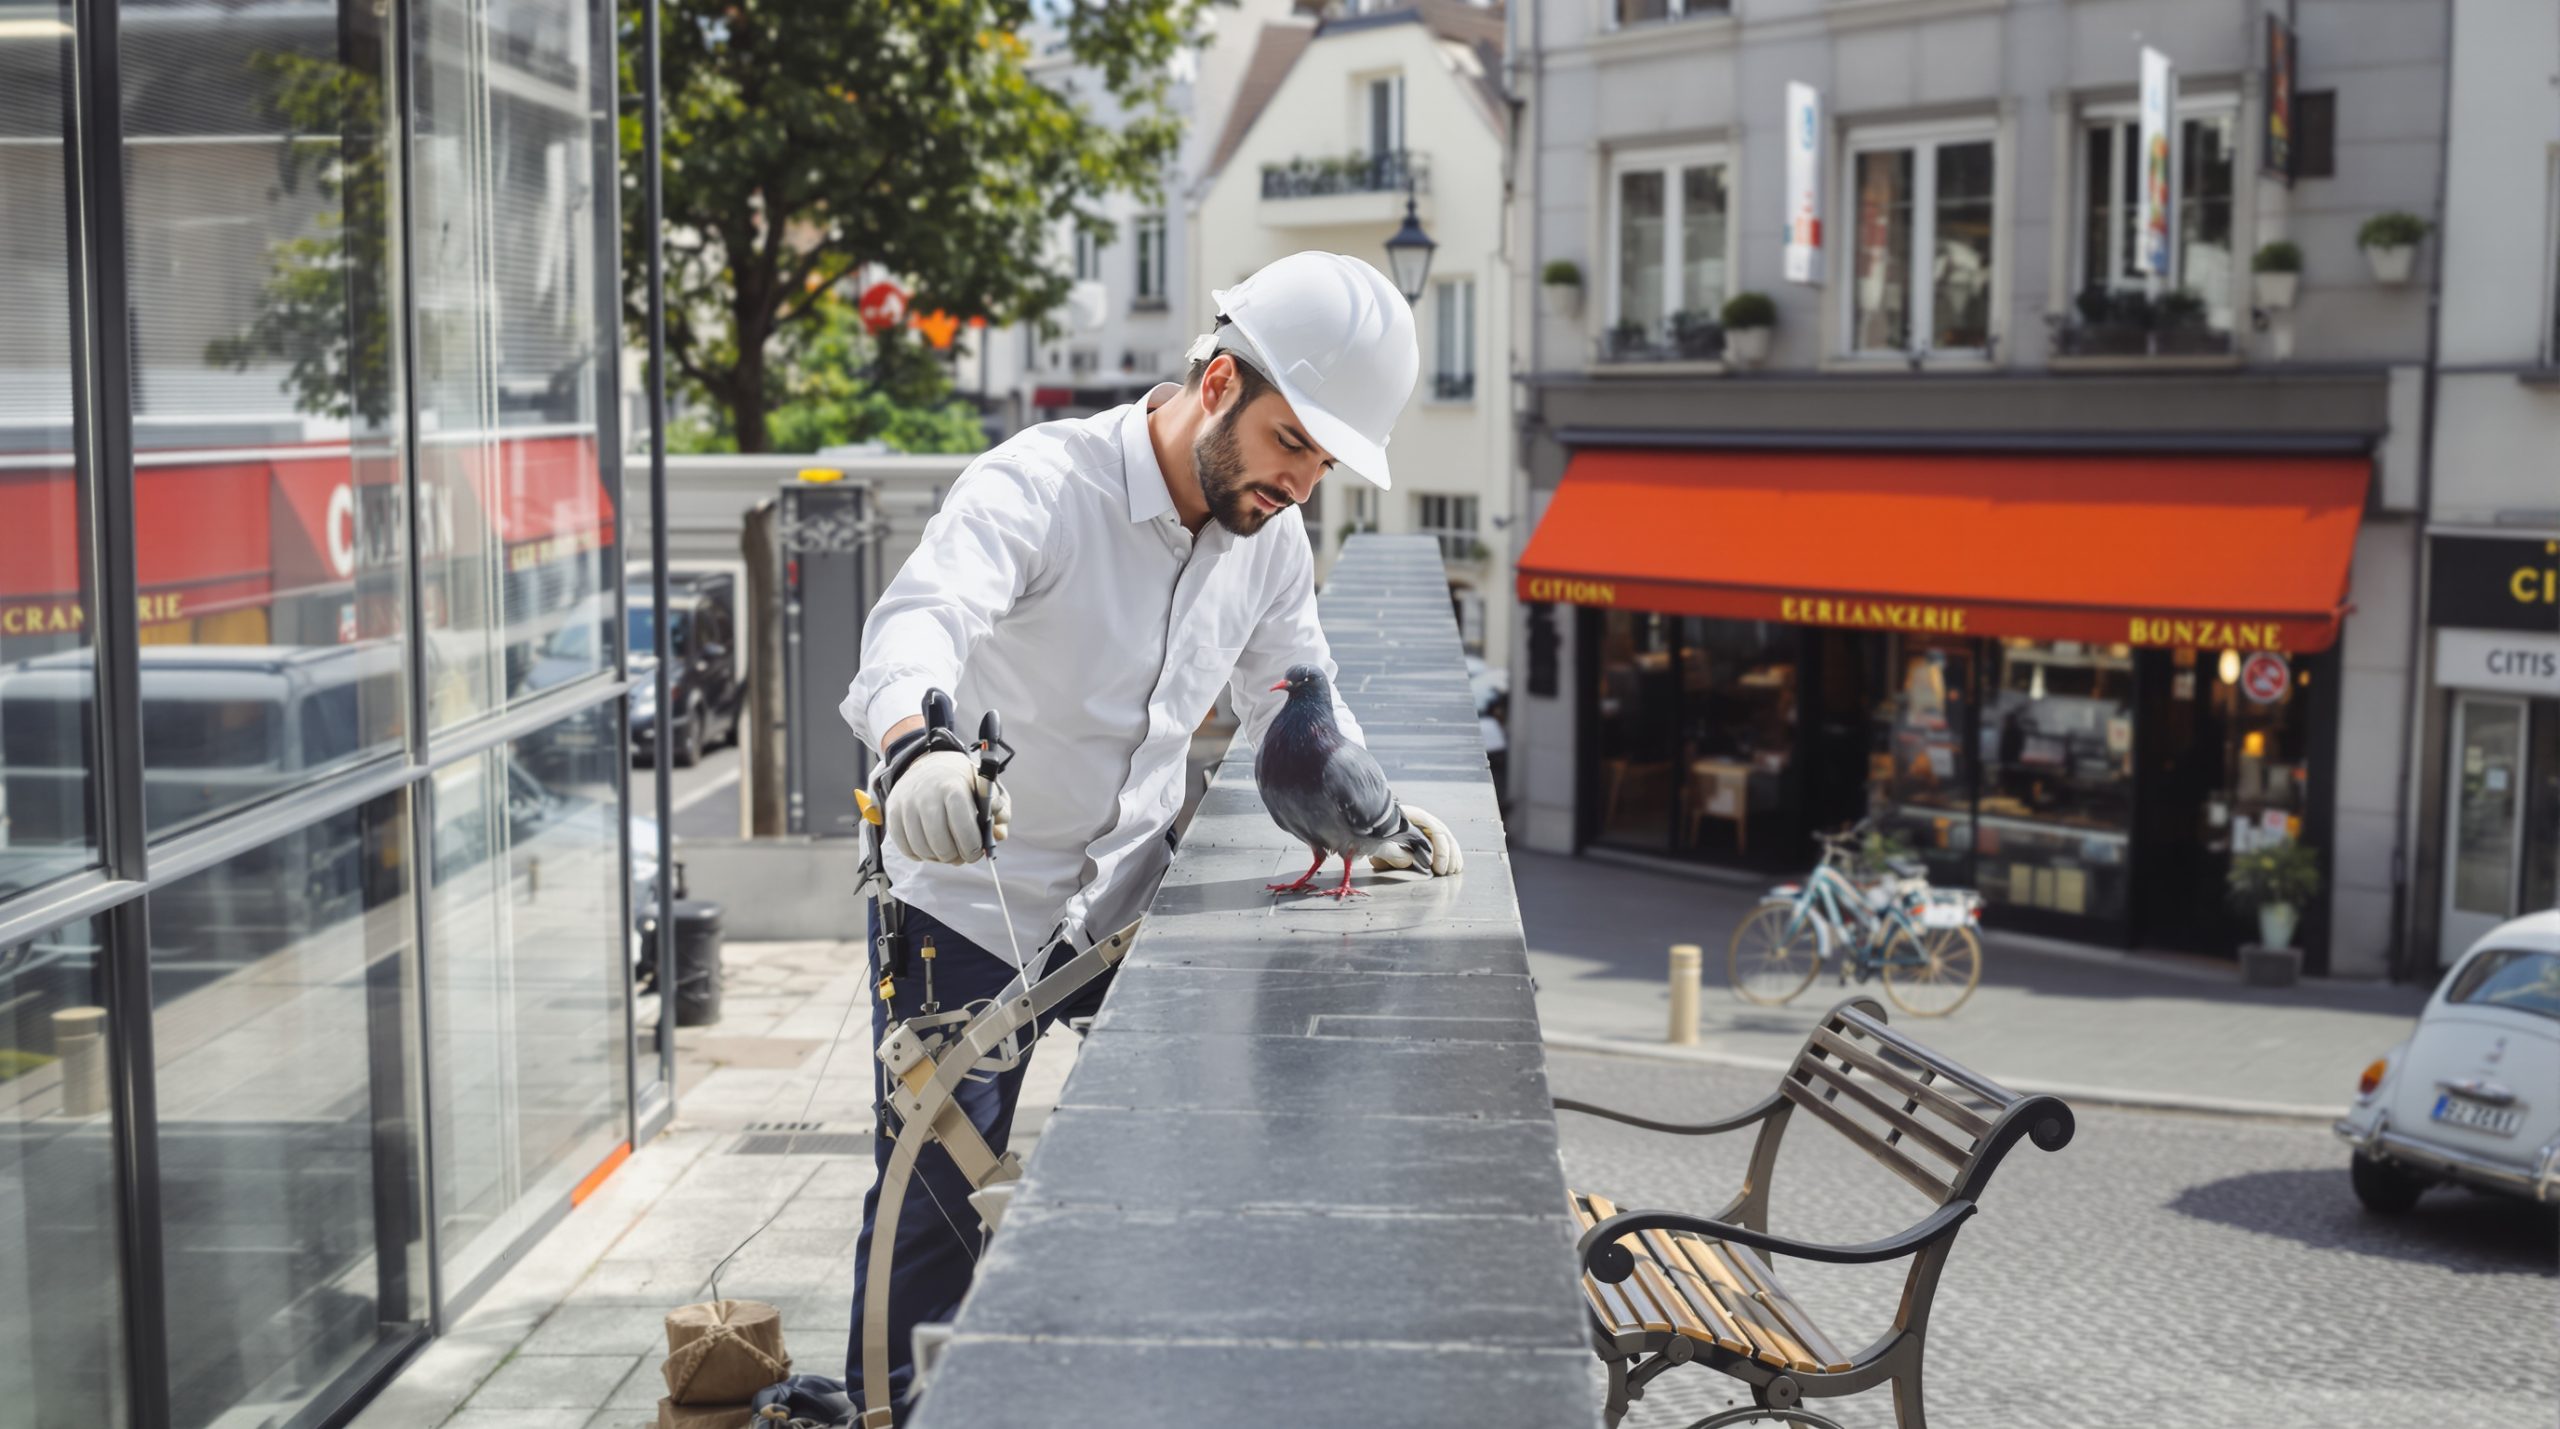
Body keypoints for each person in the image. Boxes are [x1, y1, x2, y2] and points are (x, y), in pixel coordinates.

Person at [835, 251, 1464, 1416]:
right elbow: (918, 623)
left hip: (1126, 916)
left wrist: (1370, 804)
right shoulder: (1039, 485)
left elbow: (1301, 684)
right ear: (1218, 381)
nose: (1302, 485)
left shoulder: (1267, 543)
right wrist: (913, 747)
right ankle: (889, 1414)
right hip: (967, 913)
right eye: (1292, 445)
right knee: (929, 1223)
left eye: (1323, 463)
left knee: (1197, 1161)